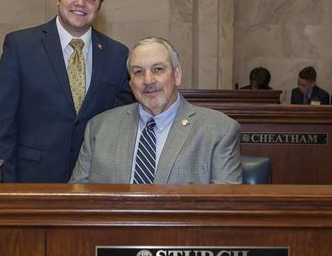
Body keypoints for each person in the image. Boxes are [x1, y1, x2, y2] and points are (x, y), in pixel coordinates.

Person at [0, 0, 133, 183]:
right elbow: (1, 124)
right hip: (31, 182)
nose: (80, 4)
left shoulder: (117, 54)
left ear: (99, 5)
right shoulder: (21, 46)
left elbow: (121, 125)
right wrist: (5, 189)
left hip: (95, 183)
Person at [69, 37, 242, 184]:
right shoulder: (99, 128)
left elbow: (225, 208)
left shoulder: (218, 130)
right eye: (138, 72)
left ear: (177, 75)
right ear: (130, 83)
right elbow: (76, 201)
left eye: (158, 69)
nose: (148, 80)